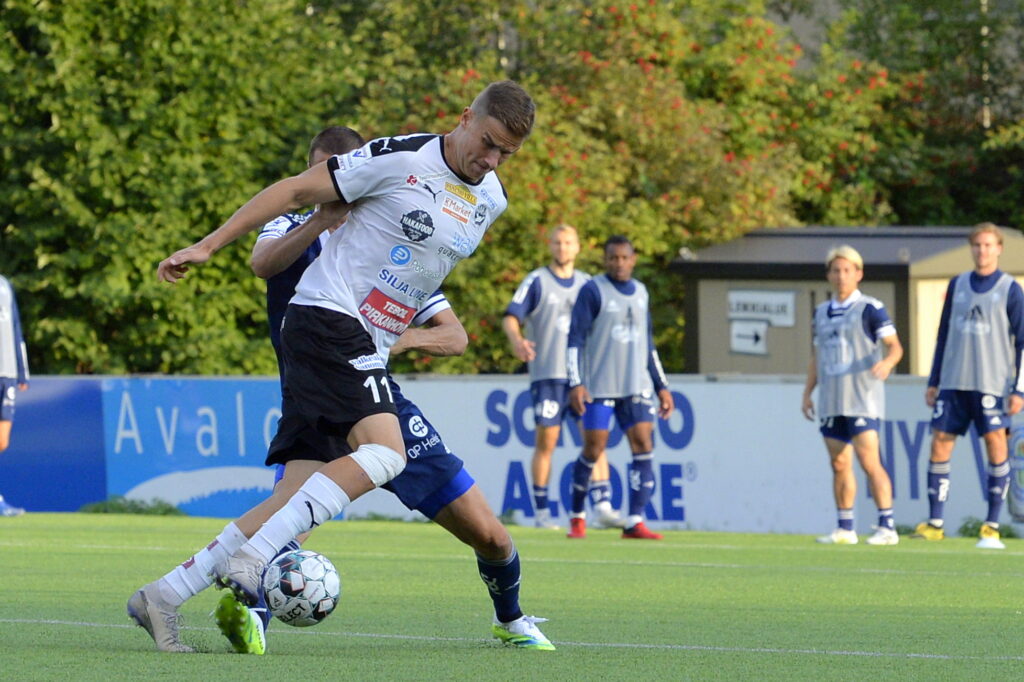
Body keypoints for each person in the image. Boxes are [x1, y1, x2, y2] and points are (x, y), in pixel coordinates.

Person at [138, 93, 551, 650]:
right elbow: (294, 191)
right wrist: (208, 245)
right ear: (464, 119)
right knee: (387, 453)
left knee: (293, 498)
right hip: (327, 319)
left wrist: (397, 333)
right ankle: (254, 560)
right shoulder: (400, 157)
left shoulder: (492, 198)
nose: (492, 160)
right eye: (488, 143)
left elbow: (427, 290)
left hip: (360, 349)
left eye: (507, 153)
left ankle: (163, 595)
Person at [502, 224, 622, 530]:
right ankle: (542, 513)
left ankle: (603, 506)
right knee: (547, 442)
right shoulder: (537, 281)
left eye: (568, 242)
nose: (562, 248)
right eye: (557, 242)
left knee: (595, 438)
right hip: (549, 375)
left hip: (583, 378)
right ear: (550, 246)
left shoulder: (589, 284)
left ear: (578, 247)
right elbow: (512, 316)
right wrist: (517, 340)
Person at [912, 222, 1024, 549]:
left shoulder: (1010, 289)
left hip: (992, 383)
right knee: (939, 444)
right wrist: (934, 379)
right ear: (971, 248)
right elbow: (943, 335)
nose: (982, 251)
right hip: (953, 382)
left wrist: (1019, 389)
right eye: (977, 245)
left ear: (999, 249)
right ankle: (935, 523)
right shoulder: (957, 284)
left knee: (996, 445)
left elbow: (1022, 342)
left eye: (988, 245)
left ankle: (991, 525)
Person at [564, 235, 674, 540]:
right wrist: (576, 382)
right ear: (605, 259)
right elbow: (575, 339)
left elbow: (648, 344)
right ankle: (577, 516)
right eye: (613, 258)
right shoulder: (593, 290)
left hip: (636, 385)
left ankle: (634, 520)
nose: (619, 263)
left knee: (643, 446)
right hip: (600, 387)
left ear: (633, 259)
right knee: (593, 449)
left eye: (624, 258)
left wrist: (662, 386)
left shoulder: (641, 292)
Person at [801, 245, 903, 546]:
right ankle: (845, 527)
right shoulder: (821, 312)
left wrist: (888, 363)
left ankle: (887, 526)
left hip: (862, 398)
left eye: (847, 270)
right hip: (831, 399)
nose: (841, 276)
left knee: (869, 461)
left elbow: (895, 346)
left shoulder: (870, 308)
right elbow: (817, 356)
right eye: (836, 270)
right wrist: (807, 393)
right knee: (839, 463)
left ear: (858, 274)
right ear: (828, 275)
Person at [0, 274, 30, 517]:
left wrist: (22, 370)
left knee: (2, 441)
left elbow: (15, 327)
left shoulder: (4, 284)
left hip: (7, 373)